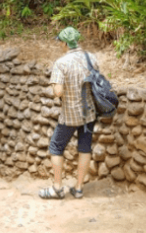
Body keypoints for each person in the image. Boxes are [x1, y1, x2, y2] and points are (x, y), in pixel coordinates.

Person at [40, 26, 97, 200]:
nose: (60, 46)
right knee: (84, 147)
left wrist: (59, 89)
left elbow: (57, 92)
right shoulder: (91, 58)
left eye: (61, 43)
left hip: (70, 114)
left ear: (65, 43)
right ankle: (79, 188)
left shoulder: (61, 63)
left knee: (55, 147)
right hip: (89, 113)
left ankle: (57, 188)